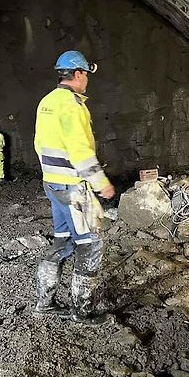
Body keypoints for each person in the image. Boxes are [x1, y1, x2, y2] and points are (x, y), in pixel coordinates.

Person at [33, 50, 115, 324]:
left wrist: (50, 173)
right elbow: (80, 150)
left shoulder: (47, 101)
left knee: (62, 240)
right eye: (86, 75)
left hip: (52, 183)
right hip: (73, 187)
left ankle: (44, 303)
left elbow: (38, 144)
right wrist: (101, 183)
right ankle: (82, 311)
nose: (87, 81)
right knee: (91, 243)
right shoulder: (72, 104)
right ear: (78, 74)